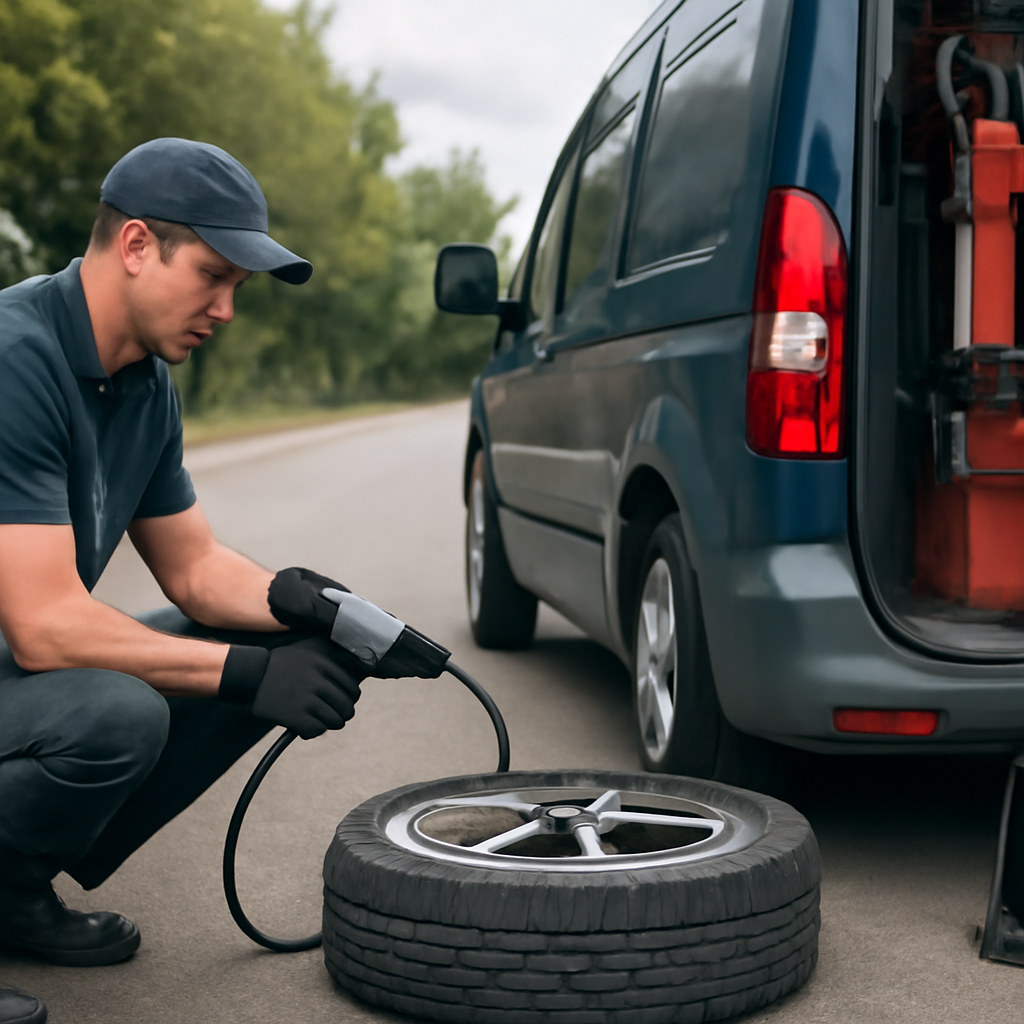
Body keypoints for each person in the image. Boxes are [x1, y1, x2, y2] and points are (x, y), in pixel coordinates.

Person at [0, 139, 363, 1021]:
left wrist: (302, 604)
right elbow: (45, 626)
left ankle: (9, 892)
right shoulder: (15, 357)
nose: (227, 308)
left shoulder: (143, 383)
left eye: (238, 286)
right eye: (214, 274)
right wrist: (246, 676)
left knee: (272, 640)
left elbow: (196, 570)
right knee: (119, 709)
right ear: (134, 246)